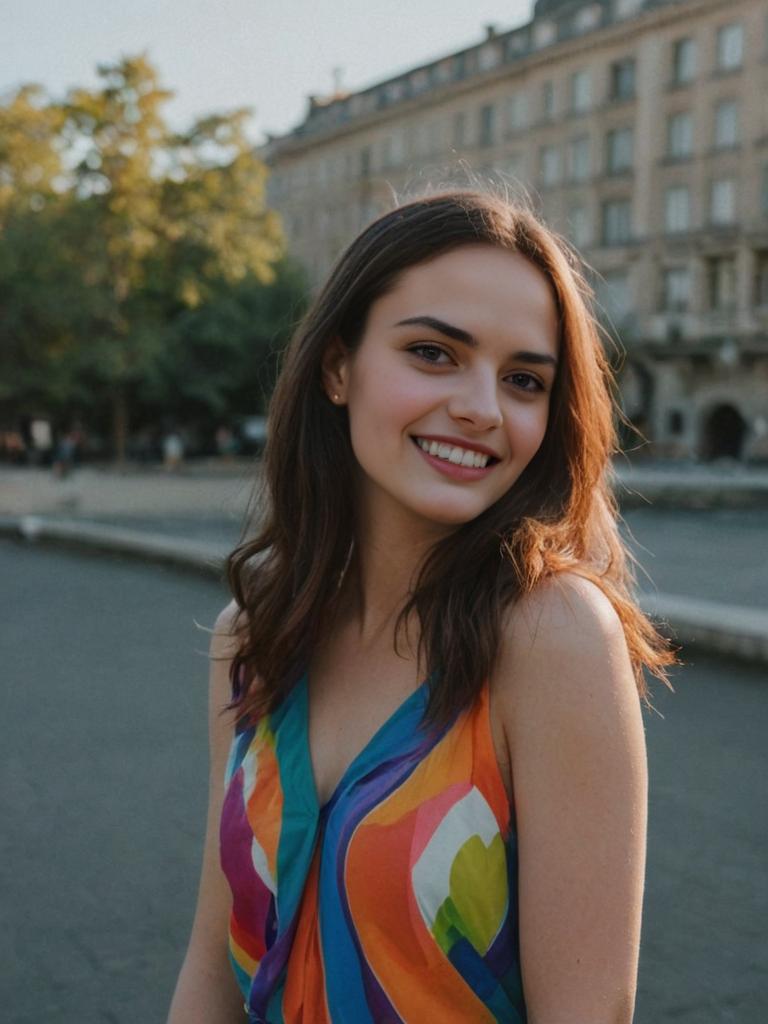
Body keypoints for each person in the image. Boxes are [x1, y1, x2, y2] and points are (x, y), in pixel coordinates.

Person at [167, 189, 676, 1024]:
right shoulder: (252, 639)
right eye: (435, 353)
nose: (482, 407)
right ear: (338, 366)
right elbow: (211, 963)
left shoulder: (551, 638)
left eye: (523, 379)